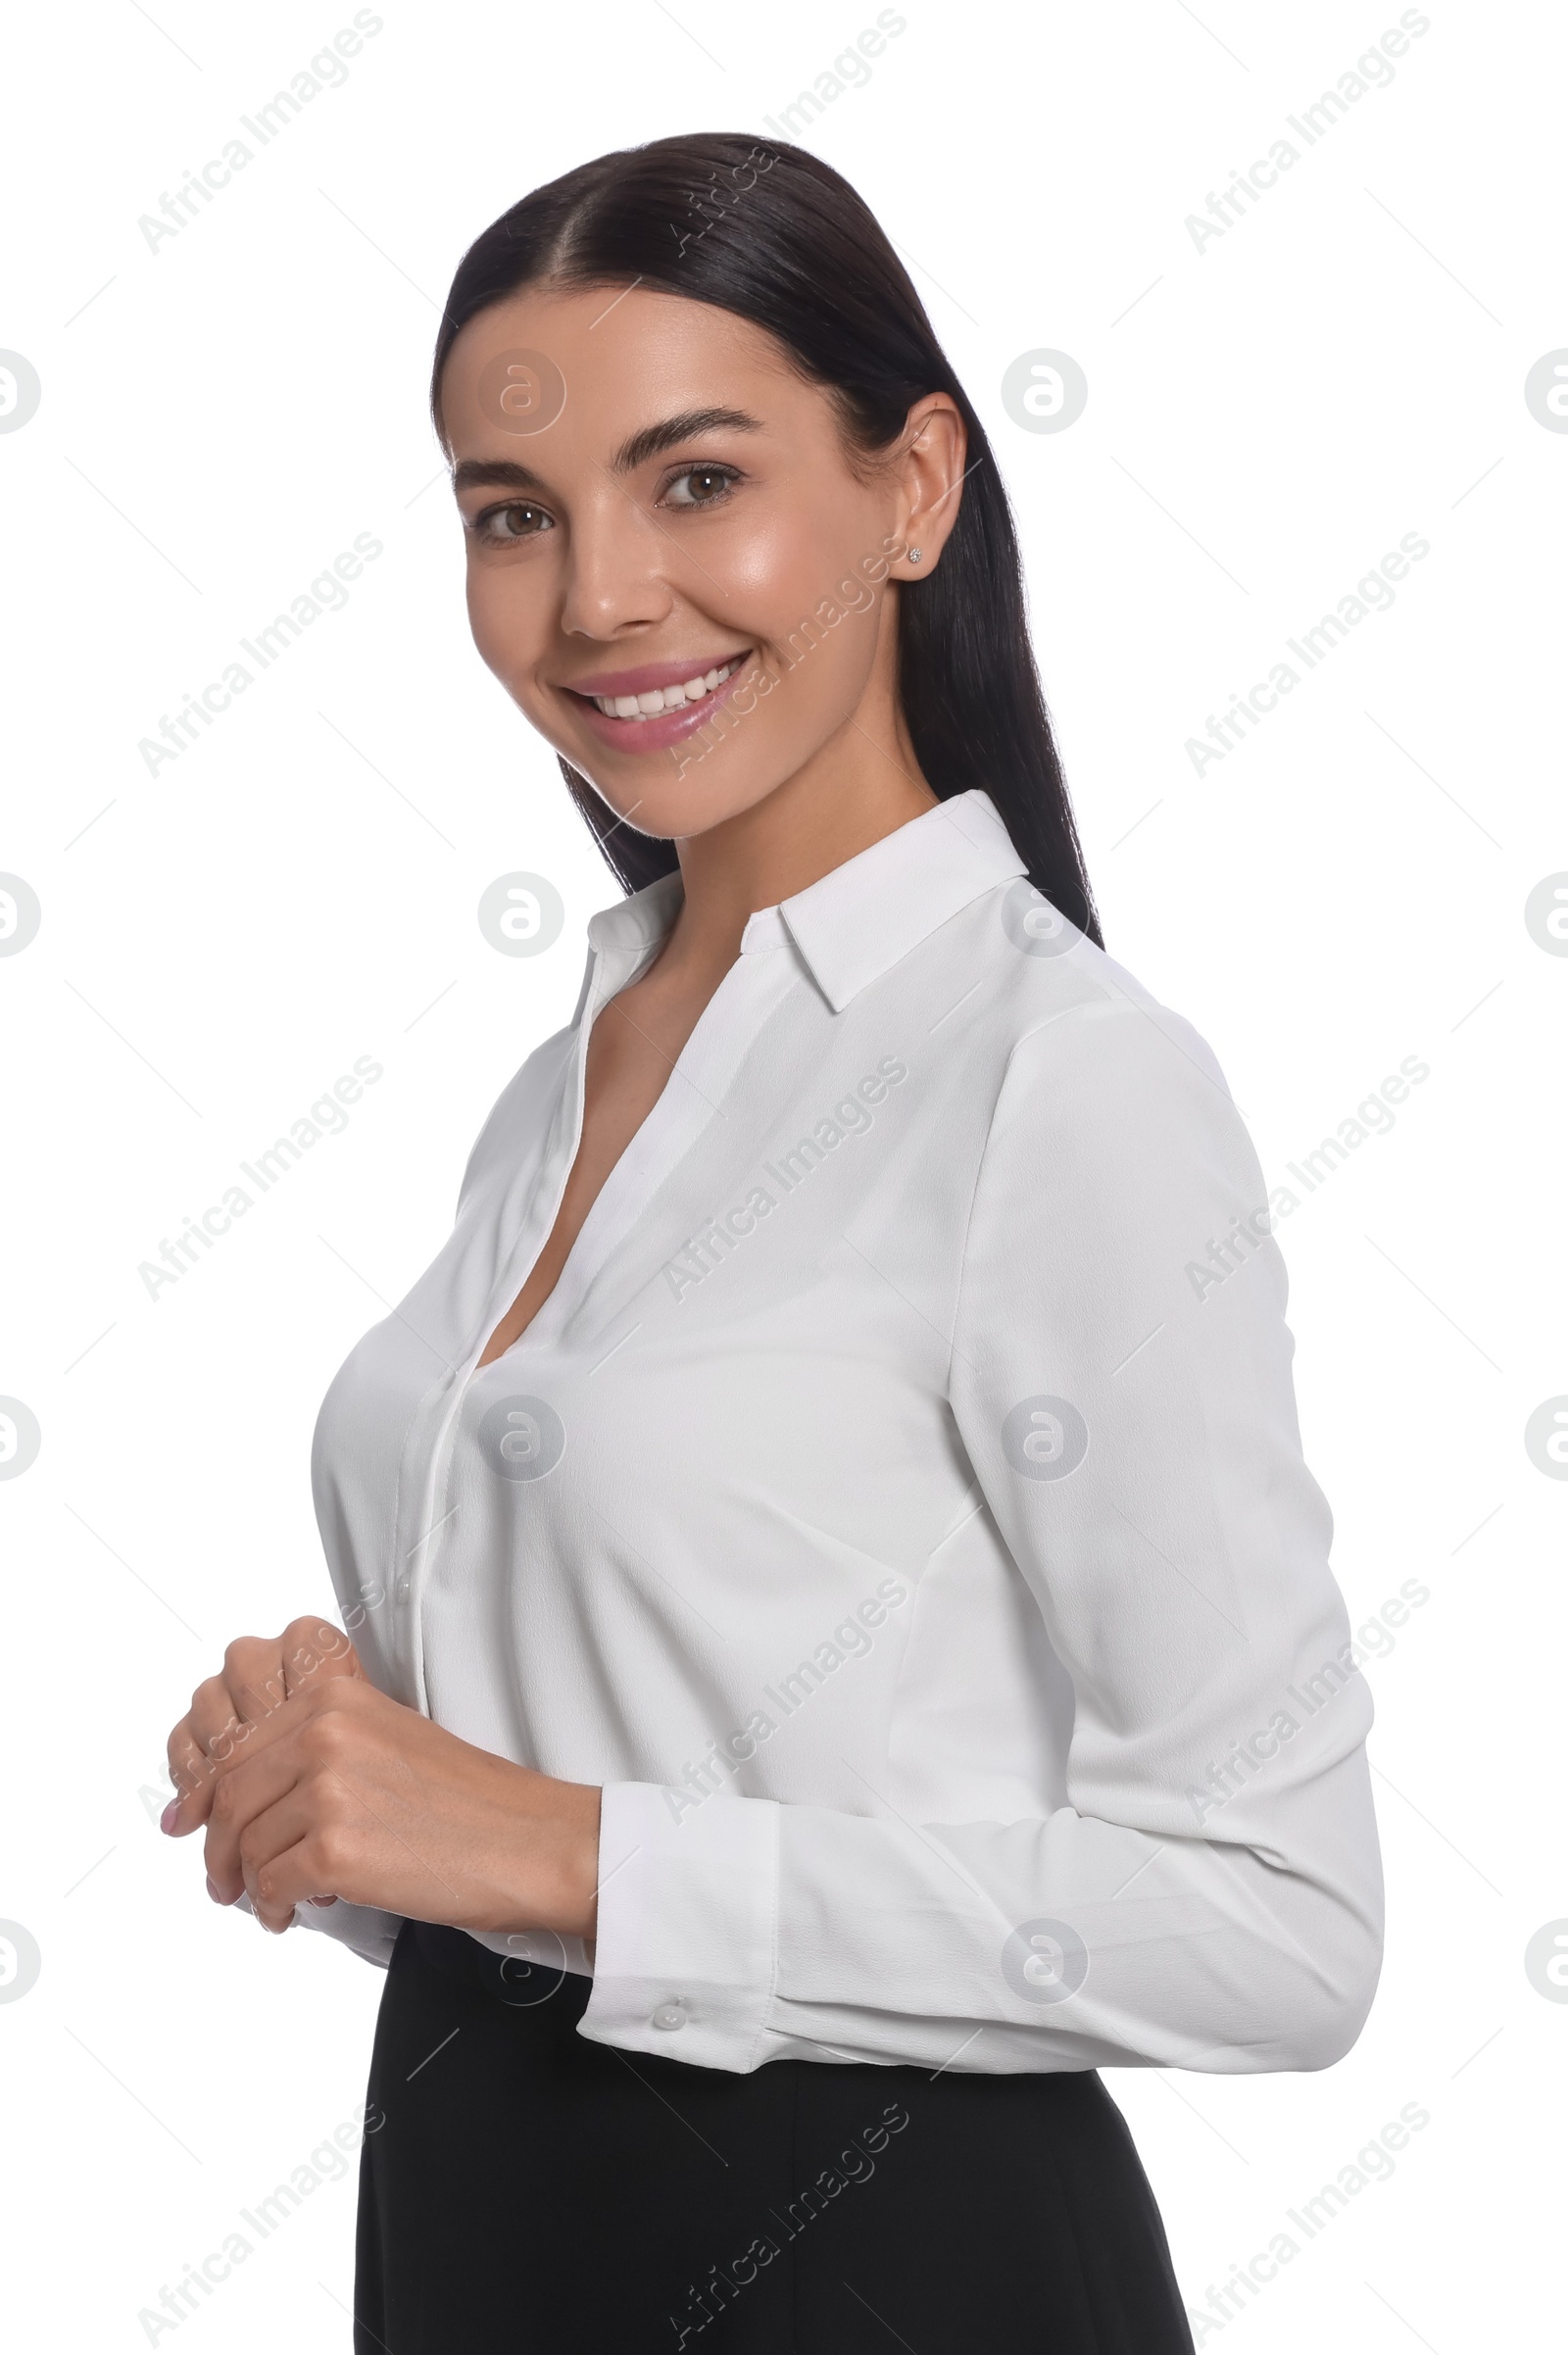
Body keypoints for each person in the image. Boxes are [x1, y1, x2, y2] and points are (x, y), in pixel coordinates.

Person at [162, 134, 1383, 2352]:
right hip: (482, 2243)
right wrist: (344, 1792)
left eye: (694, 480)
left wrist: (542, 1839)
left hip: (883, 2275)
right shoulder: (568, 1081)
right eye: (512, 515)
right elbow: (623, 1790)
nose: (598, 595)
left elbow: (1276, 1918)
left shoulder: (1057, 1080)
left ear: (910, 487)